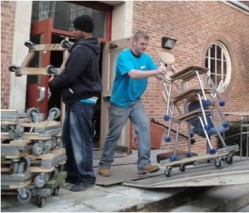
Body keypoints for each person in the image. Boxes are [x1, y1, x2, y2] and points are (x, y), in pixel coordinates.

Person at [98, 30, 167, 177]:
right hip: (120, 102)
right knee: (114, 134)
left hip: (136, 101)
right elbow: (133, 74)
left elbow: (159, 76)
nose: (144, 47)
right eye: (142, 44)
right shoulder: (124, 56)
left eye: (146, 44)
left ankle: (143, 164)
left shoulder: (146, 58)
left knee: (144, 128)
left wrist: (164, 71)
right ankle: (104, 164)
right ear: (133, 43)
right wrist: (155, 71)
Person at [49, 15, 102, 191]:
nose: (73, 32)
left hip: (82, 100)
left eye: (75, 29)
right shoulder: (86, 48)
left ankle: (86, 177)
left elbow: (70, 75)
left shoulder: (82, 50)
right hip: (78, 100)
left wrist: (53, 83)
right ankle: (73, 174)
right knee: (69, 139)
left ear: (83, 31)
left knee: (80, 140)